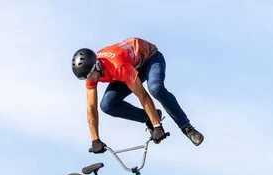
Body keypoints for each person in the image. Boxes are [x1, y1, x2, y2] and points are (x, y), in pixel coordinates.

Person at [71, 37, 204, 154]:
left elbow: (142, 95)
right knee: (107, 105)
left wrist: (157, 126)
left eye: (90, 76)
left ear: (97, 65)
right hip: (131, 65)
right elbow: (91, 108)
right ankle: (149, 117)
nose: (90, 80)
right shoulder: (90, 74)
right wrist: (95, 139)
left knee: (155, 88)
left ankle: (187, 128)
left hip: (150, 59)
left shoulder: (117, 65)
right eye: (85, 78)